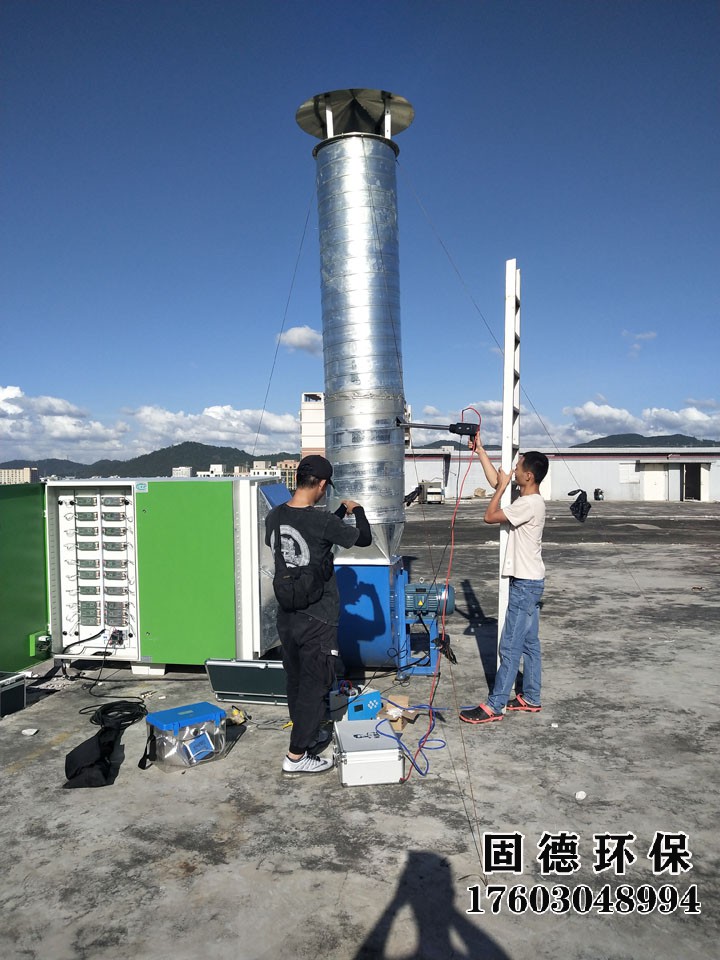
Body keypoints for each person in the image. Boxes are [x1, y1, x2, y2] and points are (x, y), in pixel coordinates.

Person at [265, 454, 372, 774]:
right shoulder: (322, 522)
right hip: (318, 617)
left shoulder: (274, 516)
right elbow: (363, 538)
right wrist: (357, 510)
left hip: (287, 615)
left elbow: (316, 537)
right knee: (315, 685)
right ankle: (296, 756)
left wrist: (338, 514)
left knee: (296, 681)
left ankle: (307, 735)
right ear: (322, 484)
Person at [460, 437, 549, 724]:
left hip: (524, 584)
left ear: (529, 476)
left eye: (518, 467)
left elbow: (489, 516)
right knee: (530, 643)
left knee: (509, 646)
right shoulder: (529, 499)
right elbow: (494, 480)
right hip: (532, 581)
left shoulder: (528, 504)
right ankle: (531, 697)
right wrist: (481, 451)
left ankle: (495, 705)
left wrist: (500, 488)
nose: (514, 470)